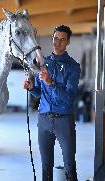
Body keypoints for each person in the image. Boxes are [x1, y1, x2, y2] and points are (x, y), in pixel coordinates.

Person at [23, 25, 81, 181]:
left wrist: (51, 83)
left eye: (62, 39)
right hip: (44, 120)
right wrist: (31, 88)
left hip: (64, 120)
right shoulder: (44, 63)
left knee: (69, 164)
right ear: (52, 38)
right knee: (45, 165)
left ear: (68, 42)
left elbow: (69, 98)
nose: (58, 42)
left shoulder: (73, 67)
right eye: (56, 38)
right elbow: (41, 93)